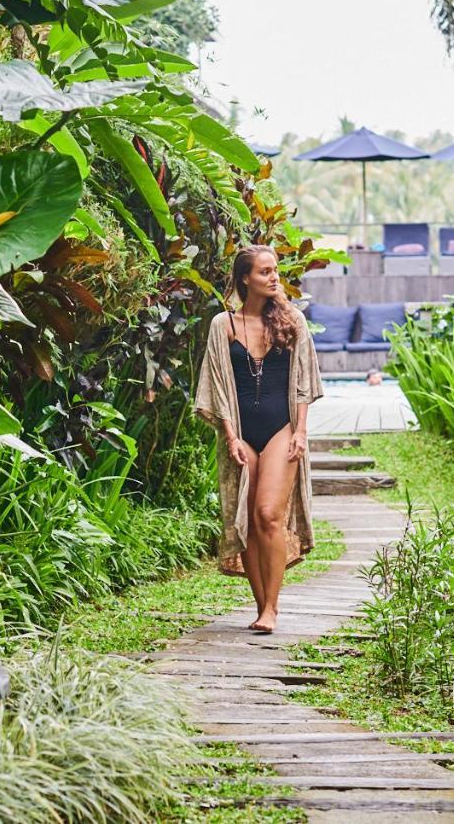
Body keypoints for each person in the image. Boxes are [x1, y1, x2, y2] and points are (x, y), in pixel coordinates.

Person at [194, 244, 324, 633]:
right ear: (245, 278)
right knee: (247, 520)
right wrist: (230, 435)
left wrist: (300, 431)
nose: (274, 277)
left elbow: (303, 382)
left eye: (275, 270)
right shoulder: (224, 325)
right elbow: (216, 384)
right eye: (265, 271)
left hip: (282, 427)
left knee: (269, 514)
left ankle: (273, 606)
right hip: (240, 432)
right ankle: (261, 606)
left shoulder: (293, 322)